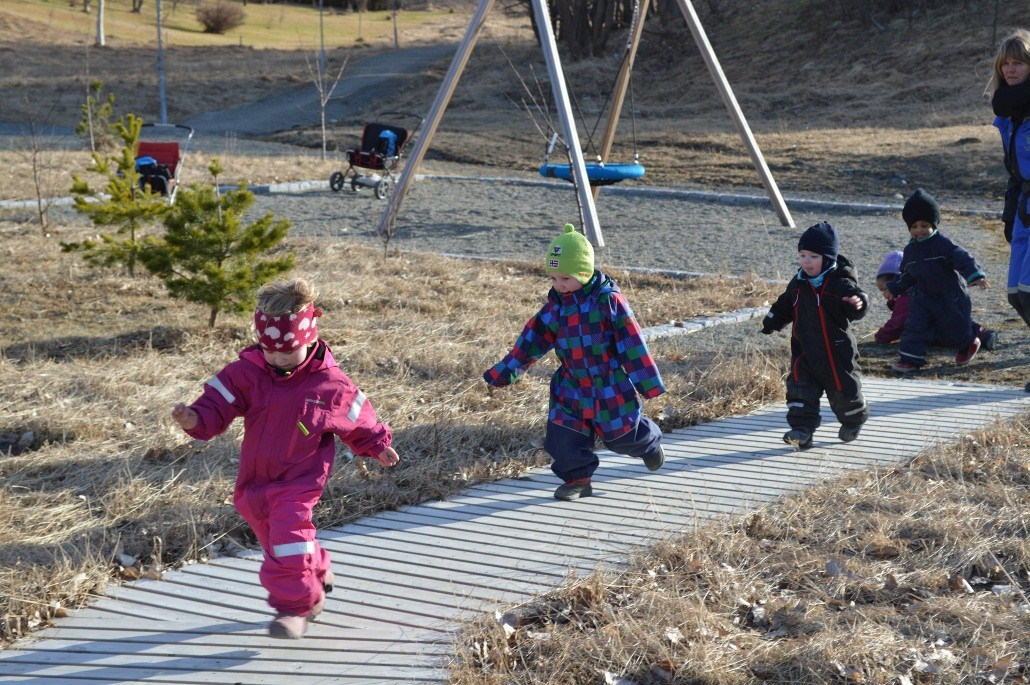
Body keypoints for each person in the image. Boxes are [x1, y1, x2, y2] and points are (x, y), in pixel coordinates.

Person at [171, 278, 399, 639]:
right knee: (273, 533)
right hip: (255, 481)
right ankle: (318, 566)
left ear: (309, 339)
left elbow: (359, 418)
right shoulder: (248, 373)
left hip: (299, 480)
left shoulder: (330, 385)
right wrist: (195, 419)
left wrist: (377, 444)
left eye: (287, 351)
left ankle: (296, 607)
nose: (277, 359)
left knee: (288, 537)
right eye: (269, 350)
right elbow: (218, 403)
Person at [483, 223, 666, 501]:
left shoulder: (608, 302)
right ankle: (577, 479)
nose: (559, 285)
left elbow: (632, 343)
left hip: (608, 384)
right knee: (563, 435)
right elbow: (531, 341)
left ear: (585, 272)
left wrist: (648, 383)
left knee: (621, 436)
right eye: (554, 278)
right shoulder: (555, 308)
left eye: (565, 278)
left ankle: (648, 444)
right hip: (570, 385)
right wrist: (505, 372)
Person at [760, 221, 869, 449]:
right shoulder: (799, 282)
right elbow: (785, 303)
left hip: (836, 352)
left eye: (813, 257)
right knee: (800, 390)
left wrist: (857, 303)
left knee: (844, 391)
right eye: (802, 255)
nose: (806, 262)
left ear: (828, 259)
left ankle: (853, 419)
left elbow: (855, 299)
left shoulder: (839, 282)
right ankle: (802, 430)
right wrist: (773, 320)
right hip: (804, 351)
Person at [885, 189, 991, 373]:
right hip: (922, 296)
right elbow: (907, 274)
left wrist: (976, 275)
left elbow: (963, 258)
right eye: (915, 226)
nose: (920, 230)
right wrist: (894, 288)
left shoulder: (943, 244)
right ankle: (910, 359)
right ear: (909, 228)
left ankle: (968, 343)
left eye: (924, 225)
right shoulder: (910, 251)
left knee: (953, 329)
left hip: (949, 295)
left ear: (934, 224)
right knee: (914, 326)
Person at [990, 29, 1030, 392]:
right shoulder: (1007, 111)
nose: (1011, 69)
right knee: (1016, 295)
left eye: (1018, 62)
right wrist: (1008, 212)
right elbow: (1014, 169)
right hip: (1023, 206)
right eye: (1006, 63)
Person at [873, 249, 997, 350]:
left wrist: (882, 336)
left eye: (886, 289)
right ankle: (983, 334)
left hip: (936, 328)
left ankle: (977, 339)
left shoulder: (906, 299)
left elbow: (898, 323)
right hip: (947, 317)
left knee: (949, 335)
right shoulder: (920, 290)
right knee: (961, 327)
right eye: (881, 291)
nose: (885, 294)